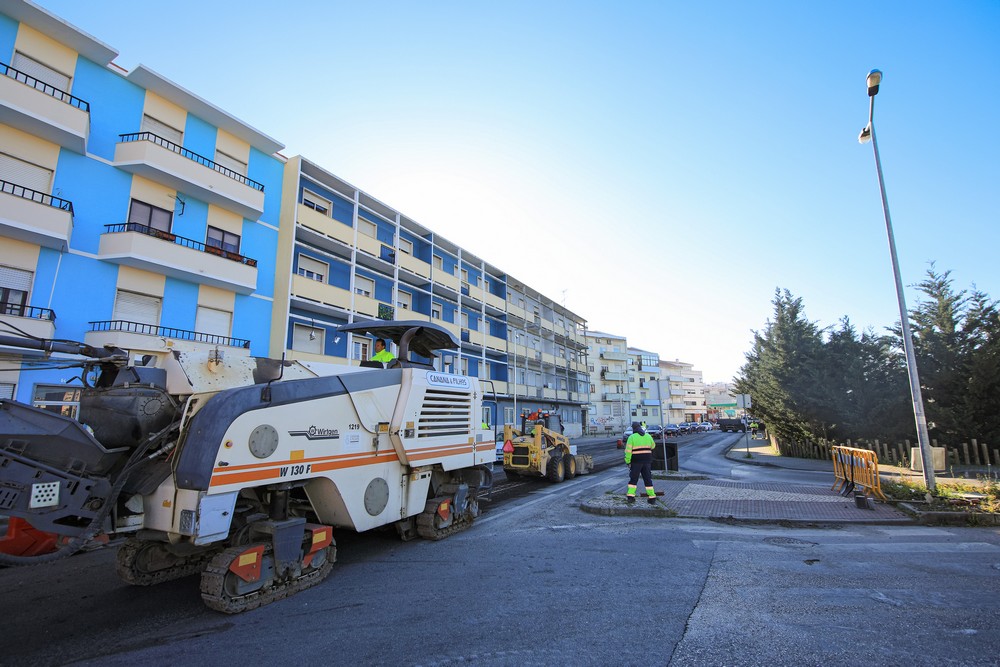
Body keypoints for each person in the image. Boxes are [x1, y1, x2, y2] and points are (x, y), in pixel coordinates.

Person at [624, 421, 657, 505]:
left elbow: (628, 451)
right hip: (647, 461)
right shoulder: (648, 436)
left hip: (636, 462)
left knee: (634, 479)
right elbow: (653, 446)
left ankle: (631, 497)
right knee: (648, 479)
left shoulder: (631, 437)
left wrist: (628, 461)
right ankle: (652, 497)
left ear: (633, 429)